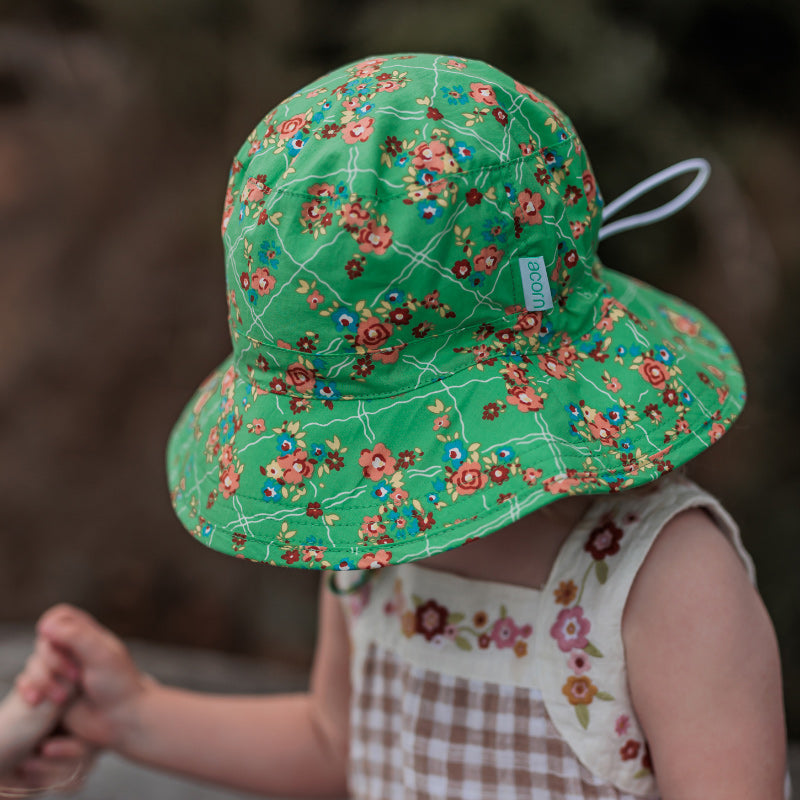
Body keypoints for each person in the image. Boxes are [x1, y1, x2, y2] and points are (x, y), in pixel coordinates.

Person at [3, 53, 787, 799]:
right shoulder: (371, 527)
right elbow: (334, 741)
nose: (376, 466)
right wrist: (135, 714)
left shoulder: (666, 586)